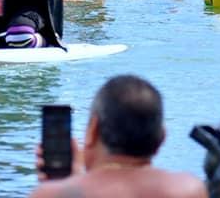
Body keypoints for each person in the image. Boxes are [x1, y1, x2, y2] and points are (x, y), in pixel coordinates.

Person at [30, 75, 207, 198]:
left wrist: (68, 185)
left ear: (93, 130)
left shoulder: (52, 195)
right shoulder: (188, 189)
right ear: (162, 138)